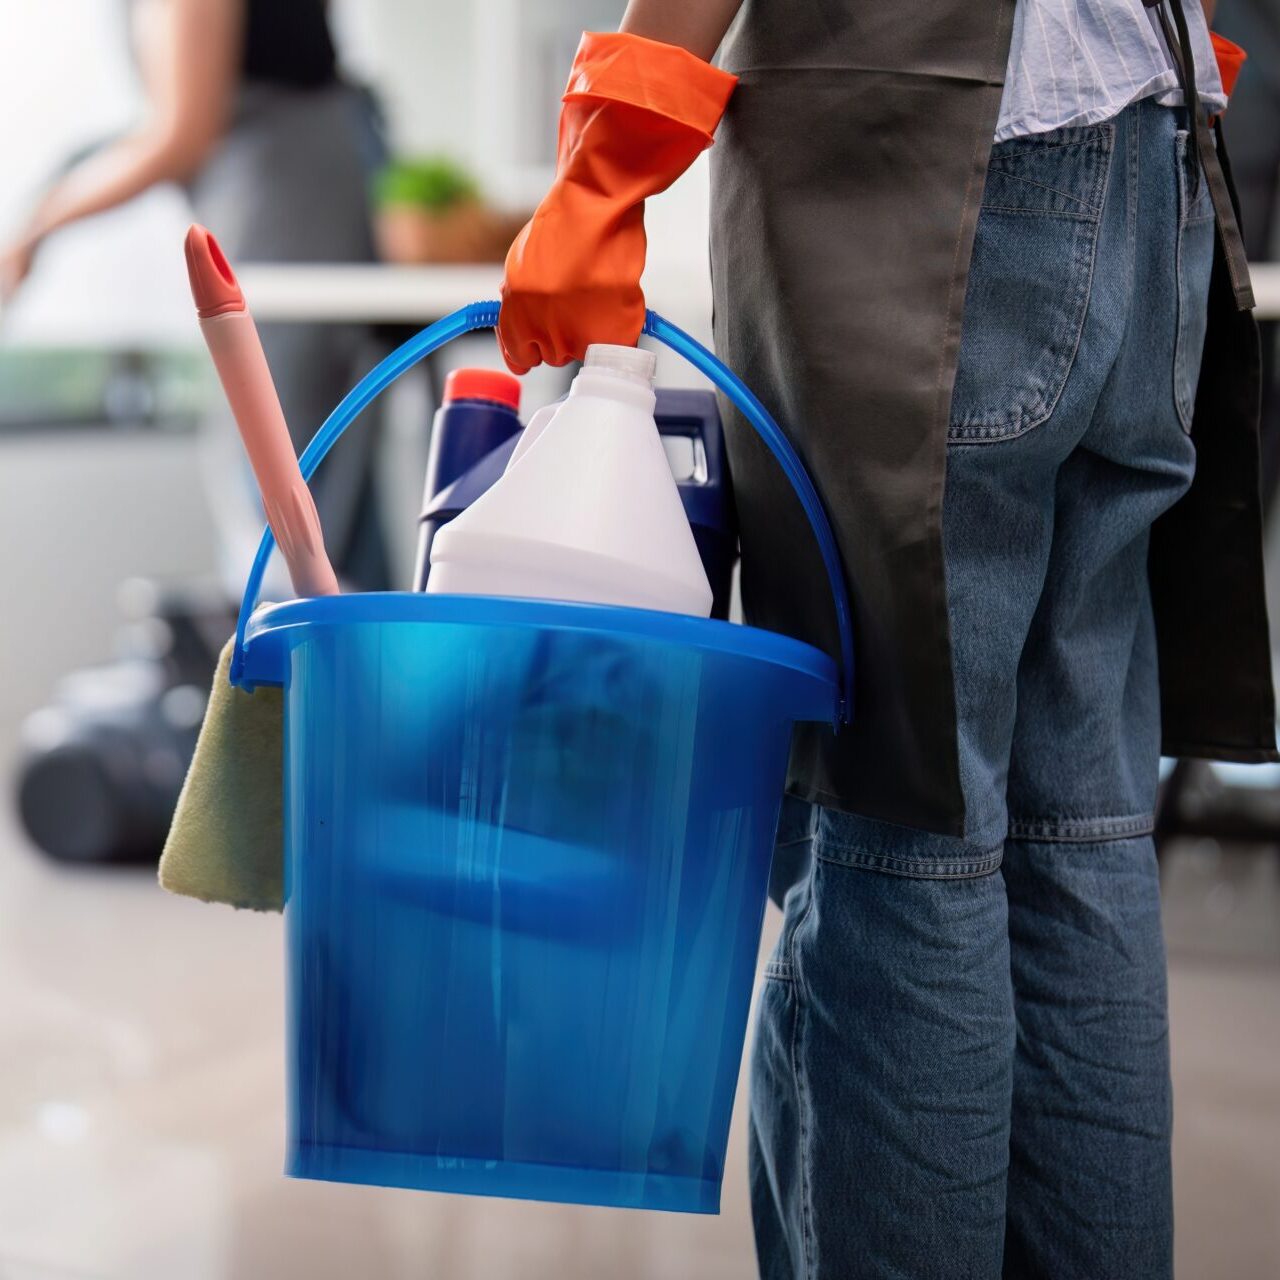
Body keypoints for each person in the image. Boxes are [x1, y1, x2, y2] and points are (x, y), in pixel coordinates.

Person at [498, 0, 1275, 1276]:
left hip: (925, 178)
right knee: (1079, 830)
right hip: (1155, 161)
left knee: (903, 822)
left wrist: (605, 166)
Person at [0, 0, 387, 591]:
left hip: (288, 213)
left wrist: (36, 229)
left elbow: (181, 134)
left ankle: (306, 642)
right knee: (300, 476)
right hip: (290, 201)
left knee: (288, 484)